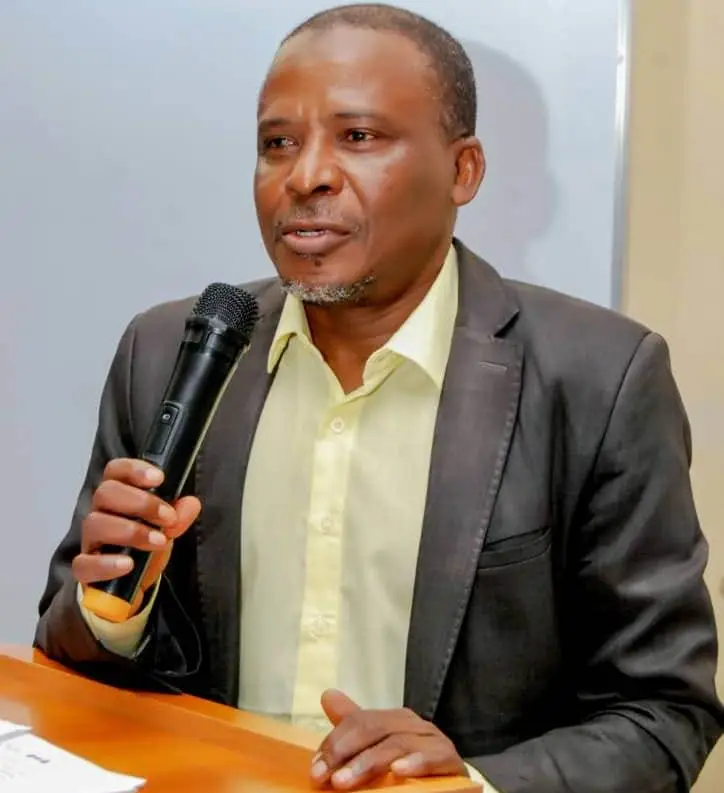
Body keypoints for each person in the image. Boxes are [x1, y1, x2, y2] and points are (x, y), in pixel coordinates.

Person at [35, 4, 723, 793]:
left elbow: (664, 711)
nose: (305, 176)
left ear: (463, 171)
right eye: (277, 143)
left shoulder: (600, 379)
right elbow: (70, 647)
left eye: (358, 137)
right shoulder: (168, 352)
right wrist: (113, 608)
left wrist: (469, 781)